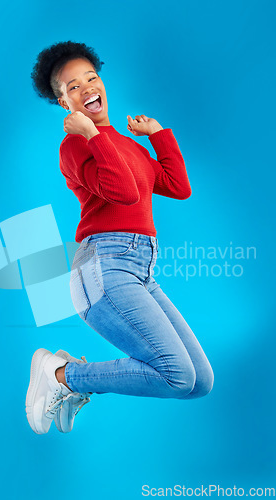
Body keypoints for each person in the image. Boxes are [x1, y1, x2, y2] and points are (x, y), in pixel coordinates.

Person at [25, 40, 214, 435]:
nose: (86, 88)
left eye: (91, 78)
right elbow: (124, 193)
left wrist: (158, 135)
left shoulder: (126, 145)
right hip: (104, 267)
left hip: (139, 270)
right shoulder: (75, 146)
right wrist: (93, 134)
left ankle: (68, 377)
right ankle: (63, 376)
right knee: (176, 374)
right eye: (72, 86)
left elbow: (178, 187)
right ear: (64, 103)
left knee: (198, 380)